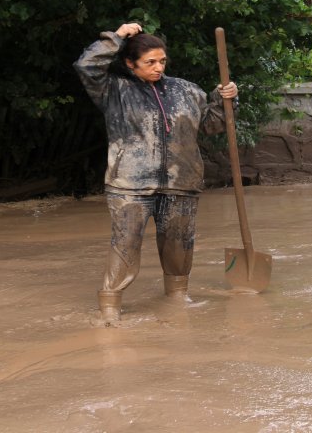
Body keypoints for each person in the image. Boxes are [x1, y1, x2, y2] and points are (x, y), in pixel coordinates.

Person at [74, 22, 239, 321]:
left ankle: (177, 299)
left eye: (162, 61)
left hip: (181, 183)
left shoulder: (186, 90)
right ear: (129, 63)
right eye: (150, 62)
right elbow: (86, 65)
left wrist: (224, 99)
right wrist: (118, 36)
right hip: (130, 185)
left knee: (180, 245)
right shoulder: (114, 90)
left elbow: (214, 125)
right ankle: (110, 307)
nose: (158, 67)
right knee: (125, 245)